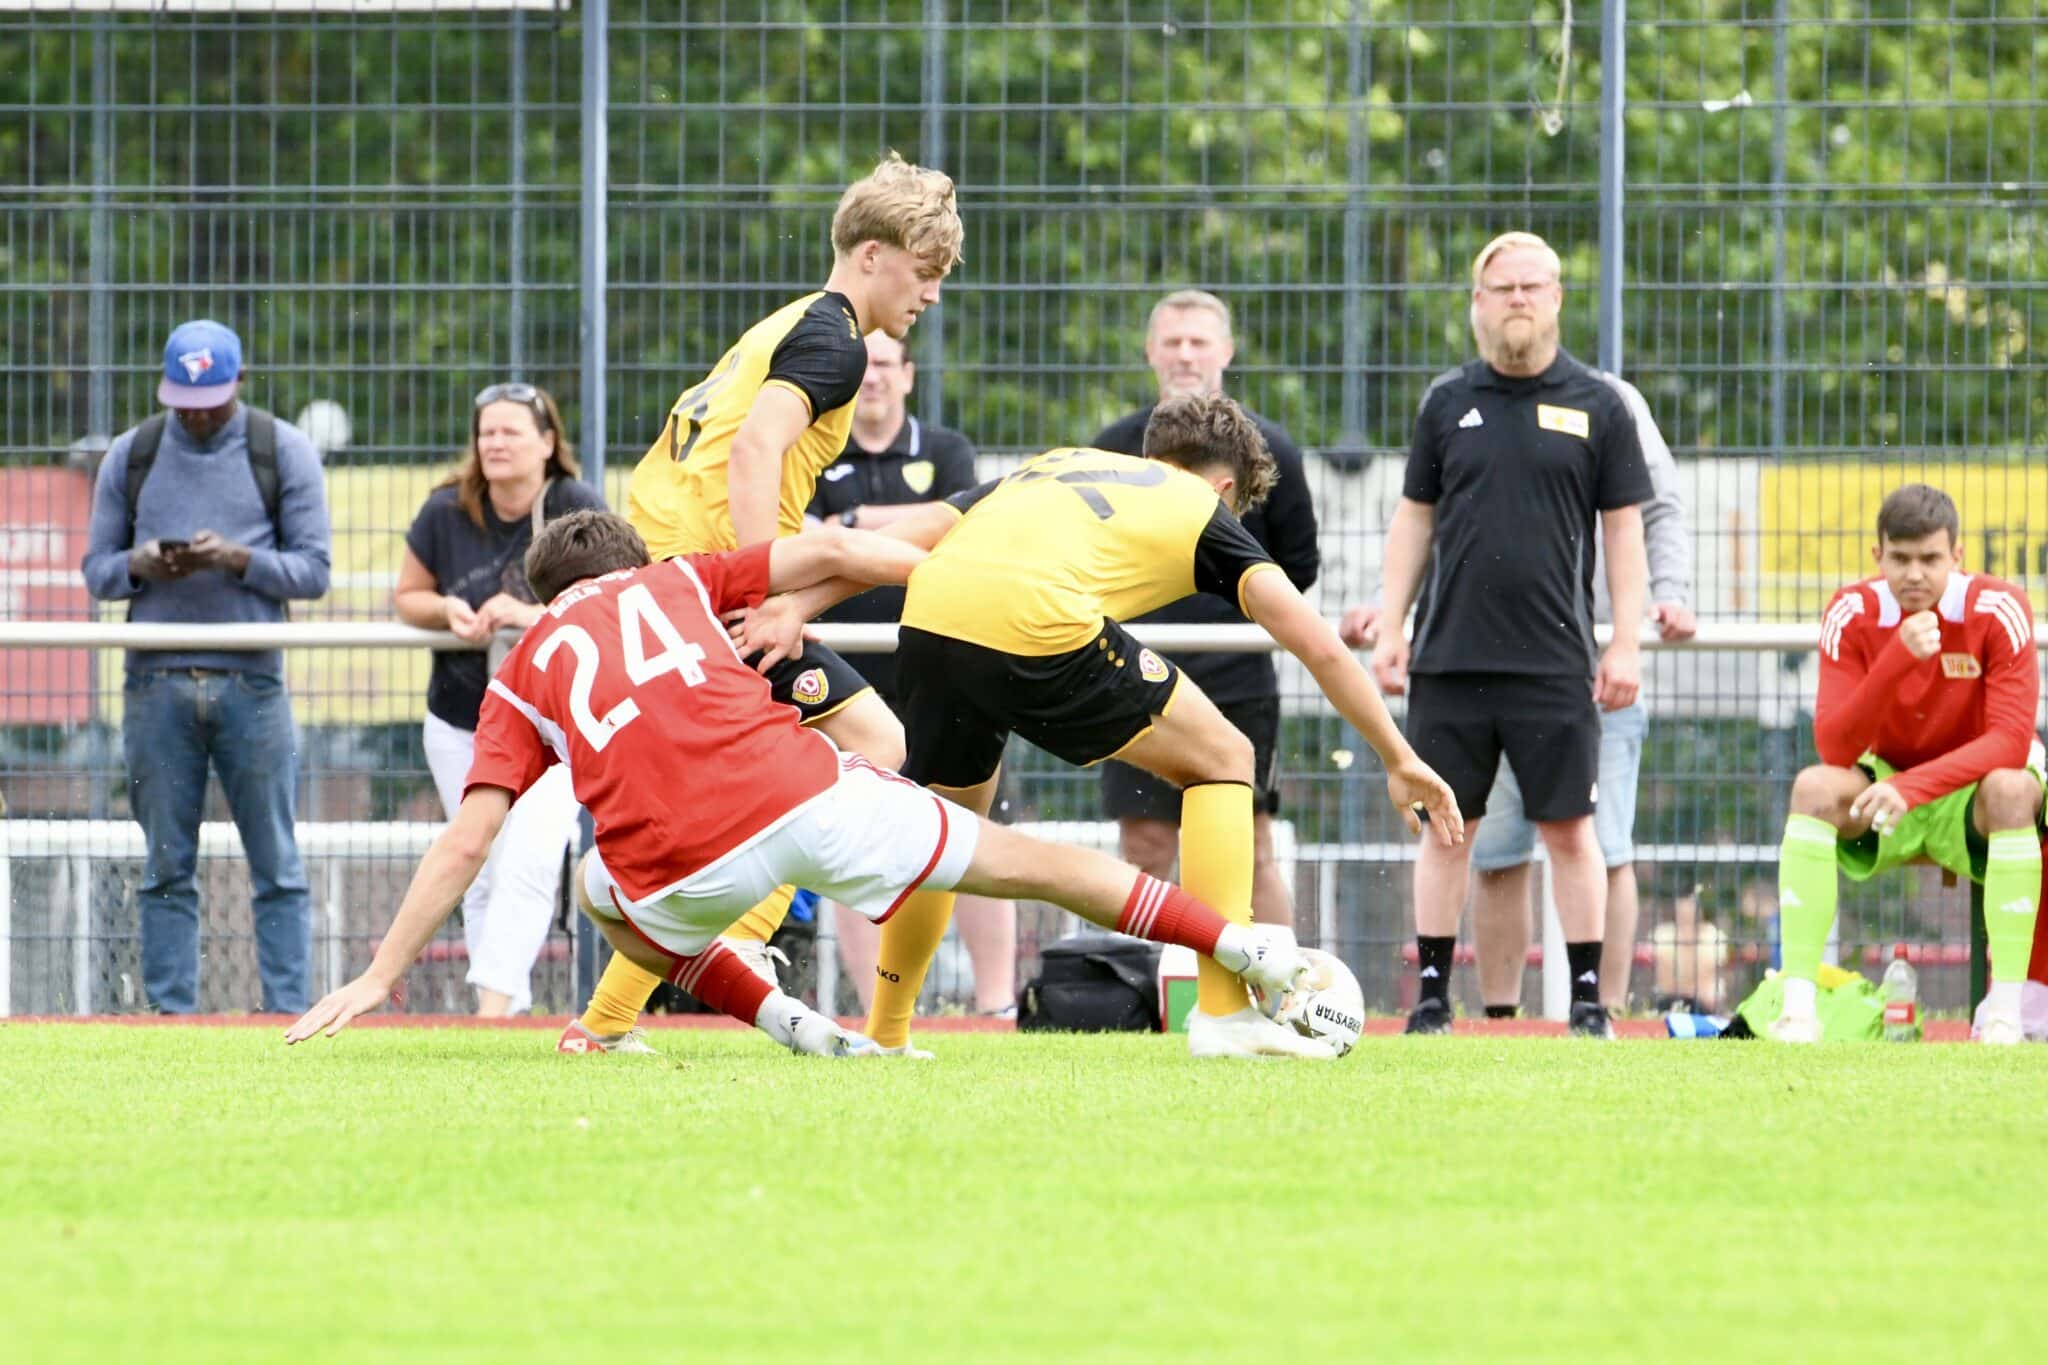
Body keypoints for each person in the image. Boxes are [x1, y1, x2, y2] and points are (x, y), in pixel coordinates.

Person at [284, 510, 1316, 1054]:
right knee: (1032, 864)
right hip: (810, 796)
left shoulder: (520, 672)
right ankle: (1244, 947)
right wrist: (945, 577)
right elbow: (828, 546)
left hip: (681, 872)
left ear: (545, 594)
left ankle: (780, 1021)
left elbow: (471, 836)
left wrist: (380, 976)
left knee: (600, 889)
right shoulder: (679, 575)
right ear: (632, 559)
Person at [736, 392, 1464, 1058]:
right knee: (1225, 756)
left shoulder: (1056, 466)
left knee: (944, 825)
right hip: (1035, 624)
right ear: (1224, 489)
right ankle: (1222, 1012)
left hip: (929, 619)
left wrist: (800, 603)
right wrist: (1398, 756)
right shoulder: (1203, 510)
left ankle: (887, 1035)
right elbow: (1319, 644)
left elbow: (912, 536)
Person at [558, 152, 964, 1052]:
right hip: (701, 583)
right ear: (870, 255)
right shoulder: (836, 341)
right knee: (873, 744)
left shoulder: (789, 325)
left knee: (785, 779)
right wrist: (755, 587)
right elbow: (752, 456)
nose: (930, 296)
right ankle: (737, 937)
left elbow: (756, 472)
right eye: (924, 272)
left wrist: (786, 597)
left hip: (675, 575)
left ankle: (610, 1020)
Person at [1355, 231, 1653, 1039]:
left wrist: (1626, 640)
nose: (1518, 298)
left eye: (1533, 285)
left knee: (1569, 832)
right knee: (1448, 830)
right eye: (1502, 287)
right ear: (1477, 304)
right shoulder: (1446, 404)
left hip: (1557, 663)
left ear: (1557, 298)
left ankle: (1588, 1000)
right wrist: (1390, 623)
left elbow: (1625, 534)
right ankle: (1427, 999)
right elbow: (1413, 519)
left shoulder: (1600, 405)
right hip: (1451, 662)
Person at [79, 318, 332, 1013]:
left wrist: (235, 559)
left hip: (253, 683)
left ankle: (288, 1012)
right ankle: (171, 1014)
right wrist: (141, 562)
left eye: (211, 401)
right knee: (165, 866)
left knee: (277, 863)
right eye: (182, 401)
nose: (195, 414)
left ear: (239, 384)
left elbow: (314, 571)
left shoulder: (281, 450)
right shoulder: (133, 455)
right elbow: (96, 571)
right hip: (154, 684)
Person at [1768, 484, 2041, 1045]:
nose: (1915, 574)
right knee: (1813, 788)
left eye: (1930, 559)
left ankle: (2007, 1018)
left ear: (1957, 557)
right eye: (1900, 559)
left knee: (2014, 789)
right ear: (1878, 557)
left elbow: (2010, 743)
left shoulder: (1999, 607)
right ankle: (1798, 1012)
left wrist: (1916, 787)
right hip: (1889, 784)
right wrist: (1895, 659)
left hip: (1971, 792)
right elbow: (1834, 748)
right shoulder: (1853, 611)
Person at [1091, 290, 1320, 939]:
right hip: (1131, 672)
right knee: (1145, 842)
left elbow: (1297, 569)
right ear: (1150, 352)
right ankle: (1139, 993)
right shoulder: (1112, 447)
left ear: (1225, 351)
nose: (1185, 354)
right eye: (1173, 341)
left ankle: (1277, 991)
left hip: (1239, 677)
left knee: (1250, 844)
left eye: (1199, 341)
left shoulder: (1271, 449)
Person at [802, 330, 1017, 1017]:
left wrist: (853, 524)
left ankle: (995, 1005)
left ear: (908, 375)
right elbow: (805, 543)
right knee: (858, 839)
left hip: (944, 657)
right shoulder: (815, 450)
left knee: (973, 829)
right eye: (861, 367)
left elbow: (962, 527)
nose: (872, 380)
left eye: (886, 366)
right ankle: (878, 1011)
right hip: (845, 675)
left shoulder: (947, 449)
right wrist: (889, 528)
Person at [392, 382, 606, 1016]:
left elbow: (611, 599)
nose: (495, 443)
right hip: (462, 716)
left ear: (547, 442)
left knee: (533, 854)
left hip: (552, 725)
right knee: (476, 862)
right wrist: (444, 610)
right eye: (487, 432)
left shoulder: (575, 505)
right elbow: (408, 598)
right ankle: (503, 1011)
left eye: (511, 431)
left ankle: (491, 1010)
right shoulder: (444, 511)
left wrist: (531, 612)